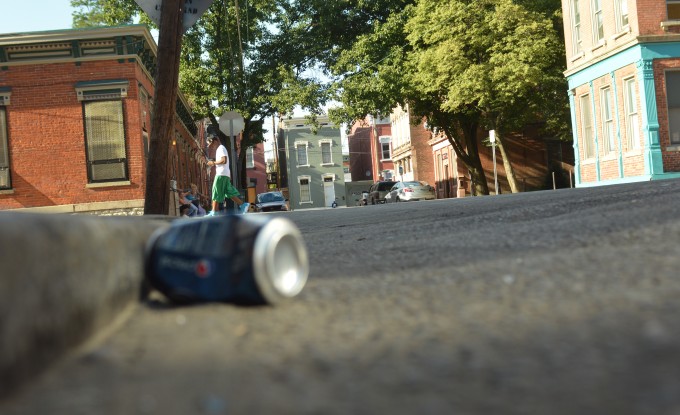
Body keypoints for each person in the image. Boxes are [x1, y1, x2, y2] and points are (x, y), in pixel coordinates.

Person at [206, 136, 250, 215]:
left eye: (210, 144)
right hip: (225, 174)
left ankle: (213, 212)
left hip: (221, 174)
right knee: (229, 192)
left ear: (215, 141)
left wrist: (213, 163)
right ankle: (243, 205)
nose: (210, 146)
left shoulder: (220, 148)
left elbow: (224, 160)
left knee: (215, 190)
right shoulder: (221, 148)